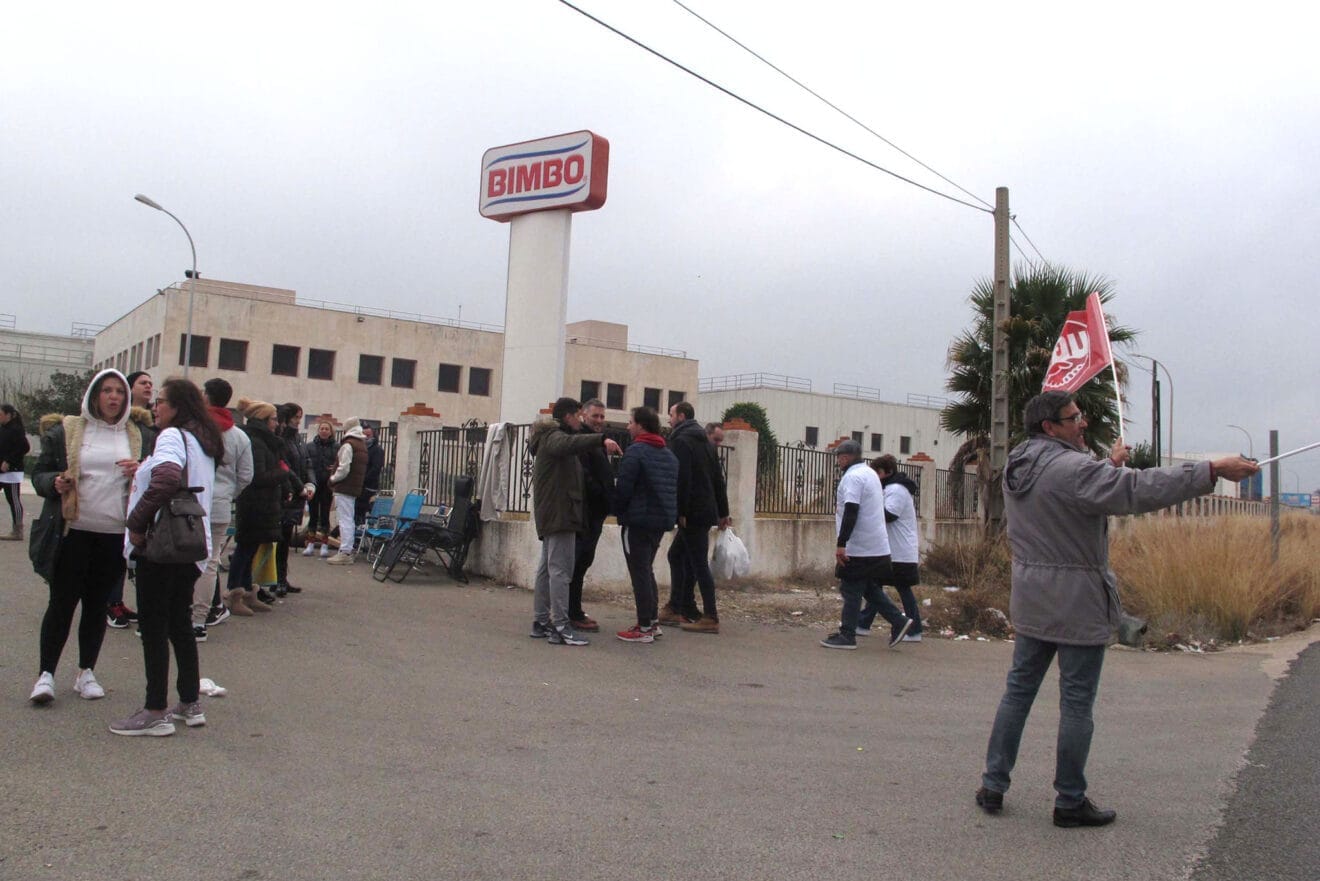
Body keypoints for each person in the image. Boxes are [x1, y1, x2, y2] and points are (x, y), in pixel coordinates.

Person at [976, 391, 1258, 827]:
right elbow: (1136, 490)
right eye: (1073, 418)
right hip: (1076, 600)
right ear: (1050, 427)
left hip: (1032, 596)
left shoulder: (1019, 461)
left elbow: (1072, 492)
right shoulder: (1072, 469)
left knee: (1018, 692)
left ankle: (993, 784)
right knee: (1076, 703)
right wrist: (1211, 470)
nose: (1082, 422)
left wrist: (1106, 466)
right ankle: (1069, 800)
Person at [112, 378, 223, 736]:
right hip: (191, 546)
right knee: (180, 625)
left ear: (177, 407)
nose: (155, 407)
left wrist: (136, 524)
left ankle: (155, 708)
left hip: (162, 546)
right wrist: (142, 468)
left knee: (154, 628)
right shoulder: (201, 440)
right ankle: (189, 701)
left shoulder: (172, 436)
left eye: (161, 402)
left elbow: (166, 479)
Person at [28, 369, 146, 704]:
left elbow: (154, 476)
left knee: (96, 606)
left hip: (112, 534)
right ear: (94, 395)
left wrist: (141, 470)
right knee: (62, 603)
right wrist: (55, 482)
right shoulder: (69, 429)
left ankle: (86, 673)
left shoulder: (136, 433)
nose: (113, 397)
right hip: (72, 531)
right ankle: (45, 675)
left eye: (119, 392)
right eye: (107, 391)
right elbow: (39, 474)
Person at [527, 397, 621, 646]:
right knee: (560, 570)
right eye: (580, 415)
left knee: (547, 569)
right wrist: (601, 439)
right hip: (561, 514)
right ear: (569, 416)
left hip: (557, 513)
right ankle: (560, 625)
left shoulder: (550, 437)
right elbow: (569, 444)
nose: (583, 420)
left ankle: (541, 621)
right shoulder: (554, 437)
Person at [819, 440, 913, 651]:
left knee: (850, 587)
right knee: (867, 588)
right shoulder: (869, 473)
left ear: (845, 457)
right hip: (876, 545)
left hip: (860, 545)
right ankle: (898, 620)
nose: (838, 461)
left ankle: (847, 635)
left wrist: (842, 543)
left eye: (839, 457)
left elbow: (852, 509)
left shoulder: (852, 477)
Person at [661, 401, 730, 634]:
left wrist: (680, 511)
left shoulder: (682, 440)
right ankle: (680, 606)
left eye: (671, 414)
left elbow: (683, 478)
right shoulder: (704, 441)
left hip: (692, 513)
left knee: (698, 563)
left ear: (680, 416)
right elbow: (717, 479)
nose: (668, 419)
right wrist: (723, 511)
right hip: (704, 510)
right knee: (678, 555)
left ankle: (710, 616)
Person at [612, 406, 678, 643]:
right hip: (660, 521)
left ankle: (644, 627)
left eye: (630, 422)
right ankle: (652, 622)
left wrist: (616, 510)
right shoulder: (668, 454)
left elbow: (624, 488)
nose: (628, 426)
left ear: (640, 425)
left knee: (639, 572)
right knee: (646, 569)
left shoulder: (636, 451)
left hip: (637, 520)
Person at [193, 378, 253, 637]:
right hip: (219, 505)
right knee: (210, 562)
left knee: (186, 560)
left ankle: (184, 610)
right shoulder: (239, 435)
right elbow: (246, 474)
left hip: (190, 502)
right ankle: (199, 618)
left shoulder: (193, 428)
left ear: (205, 396)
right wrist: (229, 493)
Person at [228, 399, 298, 613]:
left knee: (252, 548)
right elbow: (257, 476)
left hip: (264, 502)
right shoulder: (256, 441)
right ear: (264, 420)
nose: (278, 423)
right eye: (274, 419)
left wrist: (285, 485)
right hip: (253, 502)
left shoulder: (267, 441)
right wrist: (283, 472)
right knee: (244, 548)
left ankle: (248, 591)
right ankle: (234, 593)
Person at [107, 371, 158, 629]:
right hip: (116, 493)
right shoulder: (118, 421)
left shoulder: (152, 422)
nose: (149, 386)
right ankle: (110, 602)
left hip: (141, 494)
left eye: (151, 383)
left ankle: (118, 600)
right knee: (116, 549)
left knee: (131, 550)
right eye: (143, 383)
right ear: (130, 388)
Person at [857, 454, 923, 641]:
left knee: (900, 588)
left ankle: (914, 629)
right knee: (876, 586)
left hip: (899, 552)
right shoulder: (890, 488)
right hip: (892, 550)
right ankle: (863, 623)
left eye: (877, 472)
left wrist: (866, 510)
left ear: (887, 472)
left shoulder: (896, 490)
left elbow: (890, 514)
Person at [567, 398, 614, 632]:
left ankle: (573, 608)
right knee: (578, 563)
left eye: (602, 417)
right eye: (595, 416)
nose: (599, 421)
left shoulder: (595, 442)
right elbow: (584, 477)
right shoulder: (582, 441)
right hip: (585, 513)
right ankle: (572, 612)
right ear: (584, 415)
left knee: (583, 562)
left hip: (595, 513)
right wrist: (604, 495)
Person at [275, 403, 314, 595]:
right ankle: (277, 578)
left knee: (285, 539)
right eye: (296, 417)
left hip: (298, 493)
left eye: (300, 417)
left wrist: (310, 484)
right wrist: (299, 487)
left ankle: (281, 577)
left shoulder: (297, 438)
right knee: (279, 538)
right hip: (288, 493)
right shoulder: (281, 437)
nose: (299, 421)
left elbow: (307, 463)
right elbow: (285, 466)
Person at [326, 418, 368, 564]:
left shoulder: (348, 444)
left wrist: (333, 479)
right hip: (354, 486)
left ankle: (345, 552)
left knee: (344, 519)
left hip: (344, 486)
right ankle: (347, 550)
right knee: (349, 518)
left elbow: (344, 469)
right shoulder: (361, 444)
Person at [303, 420, 337, 558]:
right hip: (313, 484)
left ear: (330, 432)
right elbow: (305, 463)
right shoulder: (309, 446)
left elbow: (341, 464)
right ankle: (310, 544)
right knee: (313, 514)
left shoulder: (336, 447)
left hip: (327, 485)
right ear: (318, 431)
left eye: (326, 429)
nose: (324, 431)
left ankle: (324, 544)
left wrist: (333, 469)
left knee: (325, 515)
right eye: (322, 428)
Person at [0, 403, 31, 540]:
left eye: (0, 414)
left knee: (13, 498)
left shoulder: (16, 429)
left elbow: (24, 447)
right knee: (11, 498)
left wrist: (8, 460)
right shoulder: (3, 429)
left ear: (8, 415)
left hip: (12, 470)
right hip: (1, 469)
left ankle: (18, 529)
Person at [354, 423, 385, 531]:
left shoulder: (377, 450)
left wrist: (363, 479)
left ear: (373, 436)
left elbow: (376, 468)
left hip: (368, 486)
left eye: (368, 435)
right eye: (364, 435)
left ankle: (360, 530)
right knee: (356, 510)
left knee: (362, 510)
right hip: (357, 485)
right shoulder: (359, 449)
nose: (366, 437)